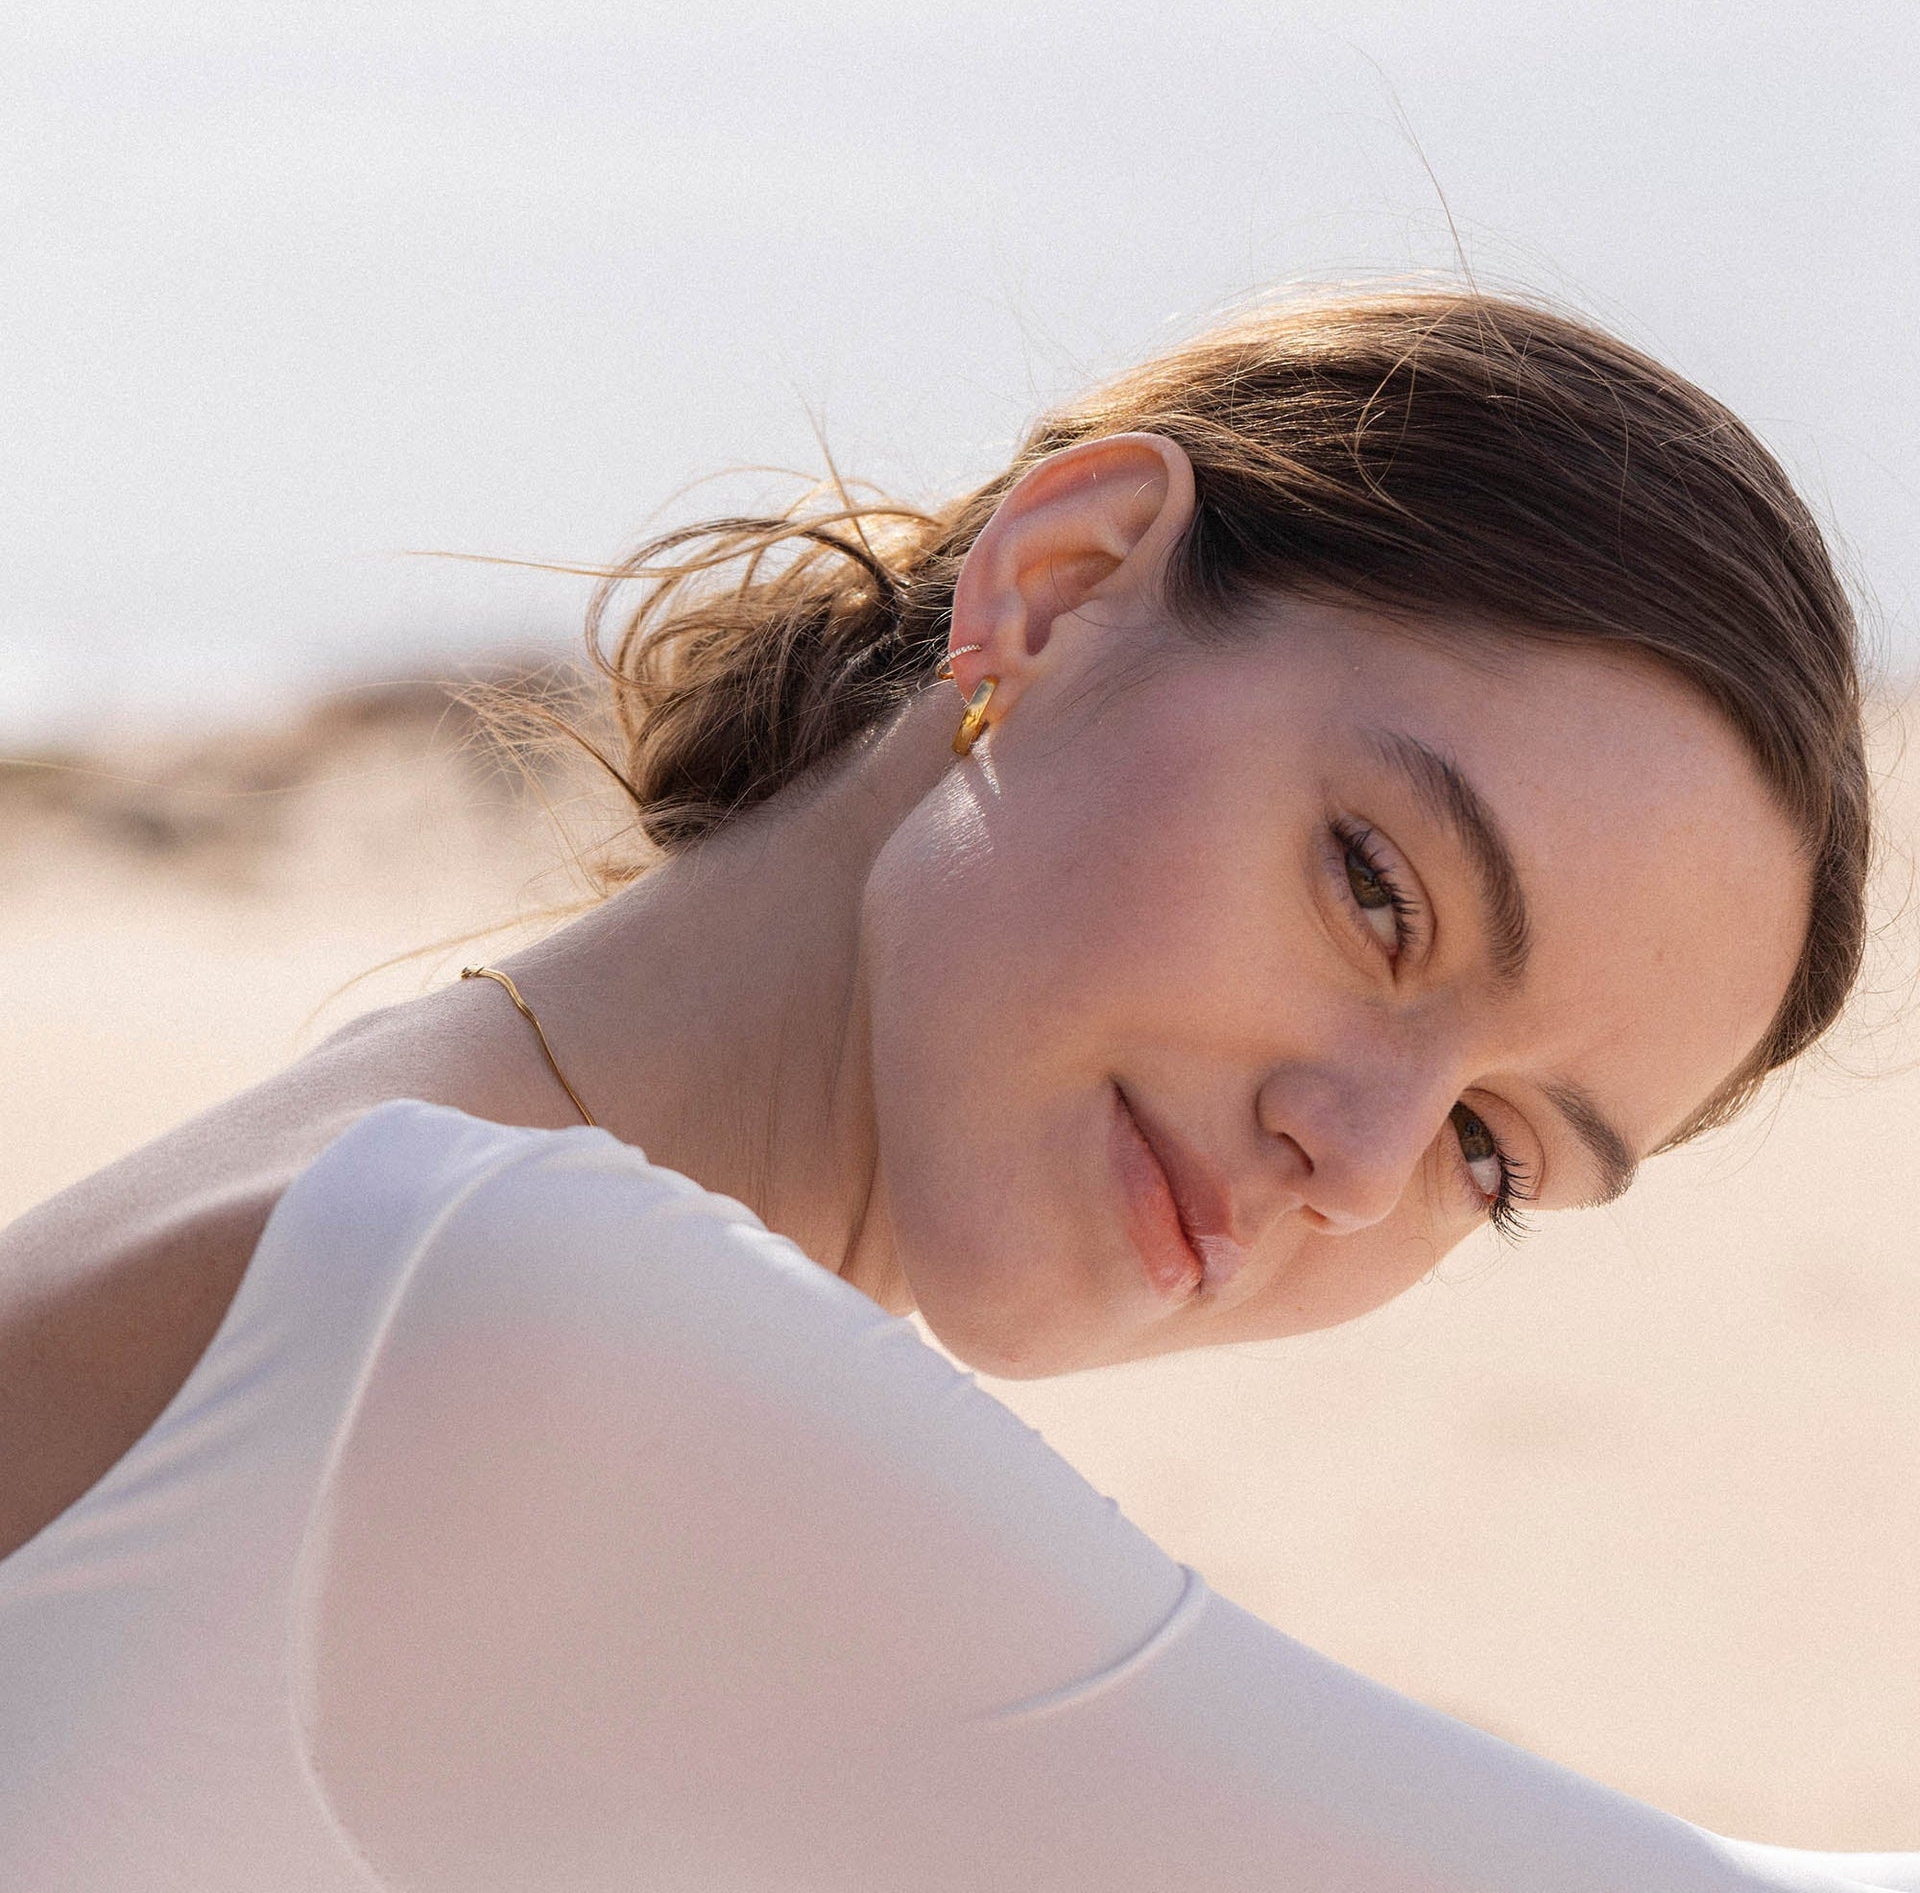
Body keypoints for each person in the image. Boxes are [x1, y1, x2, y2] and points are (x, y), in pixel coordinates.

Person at [0, 288, 1910, 1891]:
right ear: (1064, 586)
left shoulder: (404, 1179)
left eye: (1491, 1154)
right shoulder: (526, 1316)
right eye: (1378, 891)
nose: (1361, 1152)